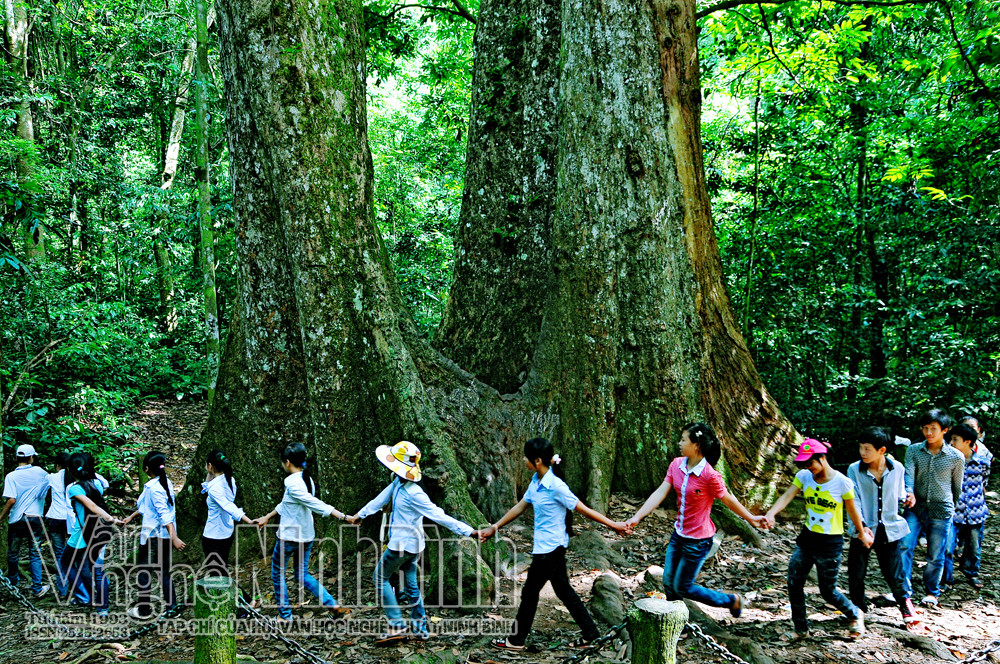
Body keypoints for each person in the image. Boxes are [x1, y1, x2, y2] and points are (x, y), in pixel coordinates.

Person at [481, 438, 628, 651]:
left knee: (530, 593)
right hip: (547, 548)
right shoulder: (536, 481)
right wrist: (495, 527)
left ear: (538, 460)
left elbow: (583, 509)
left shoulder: (556, 486)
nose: (523, 460)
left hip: (551, 549)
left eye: (526, 457)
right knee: (564, 590)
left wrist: (613, 524)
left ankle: (516, 640)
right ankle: (591, 634)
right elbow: (520, 507)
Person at [625, 423, 768, 616]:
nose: (679, 443)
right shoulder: (676, 464)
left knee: (683, 586)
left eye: (684, 439)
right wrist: (637, 517)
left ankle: (731, 600)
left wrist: (751, 518)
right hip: (678, 535)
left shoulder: (710, 475)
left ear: (696, 445)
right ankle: (676, 622)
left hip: (698, 541)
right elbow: (660, 492)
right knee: (668, 581)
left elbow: (729, 500)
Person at [350, 441, 484, 644]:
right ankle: (421, 629)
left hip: (402, 547)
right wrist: (359, 515)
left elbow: (439, 515)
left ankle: (396, 624)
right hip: (411, 546)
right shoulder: (398, 482)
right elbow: (380, 499)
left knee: (379, 577)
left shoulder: (415, 493)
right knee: (411, 586)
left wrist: (469, 531)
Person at [764, 438, 872, 640]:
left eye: (810, 463)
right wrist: (771, 513)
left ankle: (855, 613)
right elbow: (788, 495)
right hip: (807, 539)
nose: (807, 467)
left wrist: (861, 532)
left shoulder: (842, 482)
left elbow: (852, 511)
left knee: (827, 591)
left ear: (822, 459)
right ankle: (800, 629)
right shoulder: (804, 476)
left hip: (830, 543)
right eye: (804, 464)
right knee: (794, 582)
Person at [254, 443, 351, 622]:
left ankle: (285, 615)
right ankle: (331, 604)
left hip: (289, 537)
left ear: (288, 462)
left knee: (277, 573)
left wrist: (343, 517)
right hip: (306, 536)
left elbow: (314, 503)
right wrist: (267, 516)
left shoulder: (292, 483)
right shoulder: (306, 479)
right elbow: (286, 503)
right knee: (302, 574)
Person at [846, 427, 917, 626]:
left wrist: (907, 497)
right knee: (856, 571)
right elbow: (854, 500)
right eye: (861, 448)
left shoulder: (897, 468)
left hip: (889, 527)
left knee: (894, 570)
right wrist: (861, 528)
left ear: (882, 450)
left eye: (867, 449)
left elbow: (900, 492)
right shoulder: (854, 469)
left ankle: (905, 604)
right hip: (863, 528)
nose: (862, 453)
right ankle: (857, 608)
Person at [898, 409, 964, 607]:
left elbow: (957, 486)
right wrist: (908, 491)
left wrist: (951, 507)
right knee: (904, 546)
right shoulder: (914, 450)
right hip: (915, 507)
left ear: (945, 430)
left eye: (933, 429)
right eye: (925, 428)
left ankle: (932, 592)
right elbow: (908, 474)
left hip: (941, 509)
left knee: (936, 553)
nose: (929, 433)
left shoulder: (956, 456)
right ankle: (902, 591)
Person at [122, 451, 186, 618]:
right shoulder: (164, 483)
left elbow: (164, 514)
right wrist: (131, 516)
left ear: (147, 468)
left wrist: (175, 538)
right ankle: (171, 606)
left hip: (154, 537)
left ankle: (144, 610)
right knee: (163, 571)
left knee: (144, 572)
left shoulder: (154, 488)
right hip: (160, 536)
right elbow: (147, 507)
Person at [61, 452, 120, 616]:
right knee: (96, 568)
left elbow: (92, 506)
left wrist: (111, 518)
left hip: (81, 534)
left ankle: (84, 596)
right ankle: (102, 607)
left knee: (66, 562)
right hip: (101, 531)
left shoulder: (74, 489)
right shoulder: (98, 484)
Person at [943, 423, 992, 591]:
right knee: (948, 546)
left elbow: (984, 483)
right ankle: (946, 578)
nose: (951, 443)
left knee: (973, 547)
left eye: (955, 439)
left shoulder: (982, 463)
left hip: (975, 512)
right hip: (953, 512)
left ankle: (971, 572)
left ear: (968, 442)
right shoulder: (948, 461)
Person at [2, 444, 51, 598]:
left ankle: (13, 587)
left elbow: (11, 500)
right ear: (31, 457)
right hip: (35, 517)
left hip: (17, 518)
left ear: (17, 458)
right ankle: (37, 589)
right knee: (35, 554)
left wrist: (0, 517)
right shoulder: (41, 472)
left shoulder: (11, 476)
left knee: (13, 553)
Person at [201, 450, 254, 577]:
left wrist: (248, 520)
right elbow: (206, 488)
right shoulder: (230, 480)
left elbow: (228, 506)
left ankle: (237, 596)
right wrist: (210, 473)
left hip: (213, 537)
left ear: (210, 466)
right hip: (226, 533)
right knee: (221, 569)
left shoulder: (214, 489)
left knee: (217, 573)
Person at [45, 452, 72, 598]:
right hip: (72, 521)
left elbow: (40, 493)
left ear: (57, 464)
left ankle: (62, 590)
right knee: (75, 553)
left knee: (60, 555)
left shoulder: (51, 477)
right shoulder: (75, 477)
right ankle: (79, 588)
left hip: (56, 518)